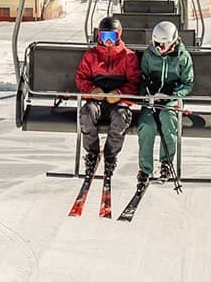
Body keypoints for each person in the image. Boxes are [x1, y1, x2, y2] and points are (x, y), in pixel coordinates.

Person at [74, 16, 140, 178]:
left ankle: (110, 155)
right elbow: (80, 78)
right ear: (99, 36)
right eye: (105, 37)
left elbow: (134, 82)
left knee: (120, 117)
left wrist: (119, 94)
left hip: (117, 102)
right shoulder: (91, 56)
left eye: (112, 37)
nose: (108, 41)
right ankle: (92, 153)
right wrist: (92, 90)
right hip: (96, 100)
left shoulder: (128, 56)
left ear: (119, 36)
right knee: (86, 114)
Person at [136, 20, 194, 188]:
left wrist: (173, 95)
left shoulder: (182, 57)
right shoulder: (149, 55)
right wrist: (146, 94)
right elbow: (142, 79)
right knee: (146, 125)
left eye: (164, 44)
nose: (159, 48)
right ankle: (145, 169)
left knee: (168, 122)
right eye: (156, 44)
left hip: (170, 100)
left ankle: (166, 163)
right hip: (152, 100)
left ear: (173, 41)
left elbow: (188, 83)